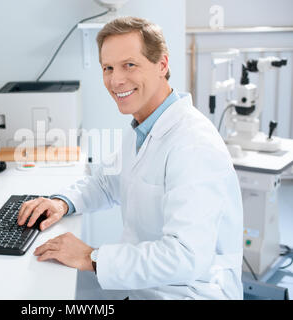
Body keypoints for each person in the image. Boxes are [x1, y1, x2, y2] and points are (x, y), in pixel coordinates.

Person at [17, 17, 244, 300]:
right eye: (108, 68)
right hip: (146, 288)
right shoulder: (143, 126)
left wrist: (91, 257)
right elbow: (106, 183)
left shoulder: (193, 145)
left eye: (129, 65)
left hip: (191, 293)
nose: (116, 80)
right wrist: (62, 202)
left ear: (162, 64)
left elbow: (185, 256)